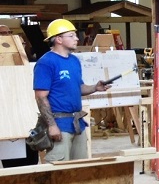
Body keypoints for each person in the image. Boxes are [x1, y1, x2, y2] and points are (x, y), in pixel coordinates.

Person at [33, 19, 110, 162]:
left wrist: (95, 87)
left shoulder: (74, 60)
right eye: (72, 35)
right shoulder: (46, 62)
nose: (76, 38)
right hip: (59, 124)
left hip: (77, 124)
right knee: (59, 171)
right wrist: (52, 126)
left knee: (79, 169)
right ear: (59, 39)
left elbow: (79, 87)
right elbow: (41, 97)